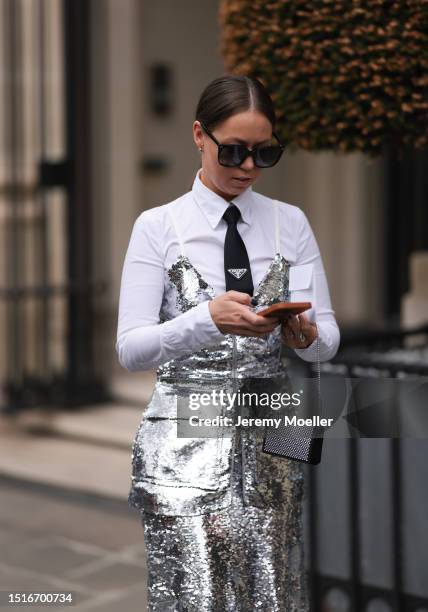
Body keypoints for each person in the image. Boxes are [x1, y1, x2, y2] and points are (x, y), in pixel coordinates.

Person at [116, 74, 340, 611]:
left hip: (274, 433)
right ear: (199, 135)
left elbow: (326, 340)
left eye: (265, 153)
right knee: (195, 596)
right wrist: (206, 321)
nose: (246, 167)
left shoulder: (291, 223)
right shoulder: (158, 226)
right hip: (183, 440)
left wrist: (305, 336)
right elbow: (130, 348)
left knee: (275, 595)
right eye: (234, 150)